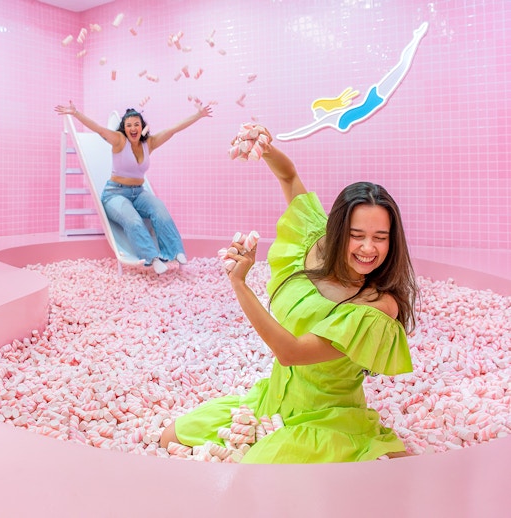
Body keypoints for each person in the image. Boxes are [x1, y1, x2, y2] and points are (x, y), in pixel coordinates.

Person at [160, 127, 418, 462]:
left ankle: (362, 450)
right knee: (170, 436)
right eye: (357, 235)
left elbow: (291, 352)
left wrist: (240, 284)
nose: (368, 248)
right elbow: (289, 175)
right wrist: (265, 148)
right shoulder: (314, 241)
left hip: (325, 418)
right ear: (338, 231)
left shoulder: (379, 305)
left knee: (255, 475)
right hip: (273, 399)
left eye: (380, 237)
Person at [55, 101, 213, 274]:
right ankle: (152, 257)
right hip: (114, 194)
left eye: (136, 124)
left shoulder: (149, 143)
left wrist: (198, 115)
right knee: (134, 220)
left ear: (142, 127)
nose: (133, 128)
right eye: (129, 125)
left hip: (139, 193)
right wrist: (76, 113)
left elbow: (173, 129)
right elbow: (99, 129)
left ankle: (175, 251)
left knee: (160, 211)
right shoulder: (120, 141)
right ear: (124, 128)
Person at [277, 21, 428, 141]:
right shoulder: (332, 117)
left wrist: (286, 136)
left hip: (375, 98)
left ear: (325, 110)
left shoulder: (329, 118)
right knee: (400, 67)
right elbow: (308, 128)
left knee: (401, 67)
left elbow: (307, 129)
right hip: (375, 99)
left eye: (317, 112)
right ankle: (415, 38)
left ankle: (416, 38)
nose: (316, 116)